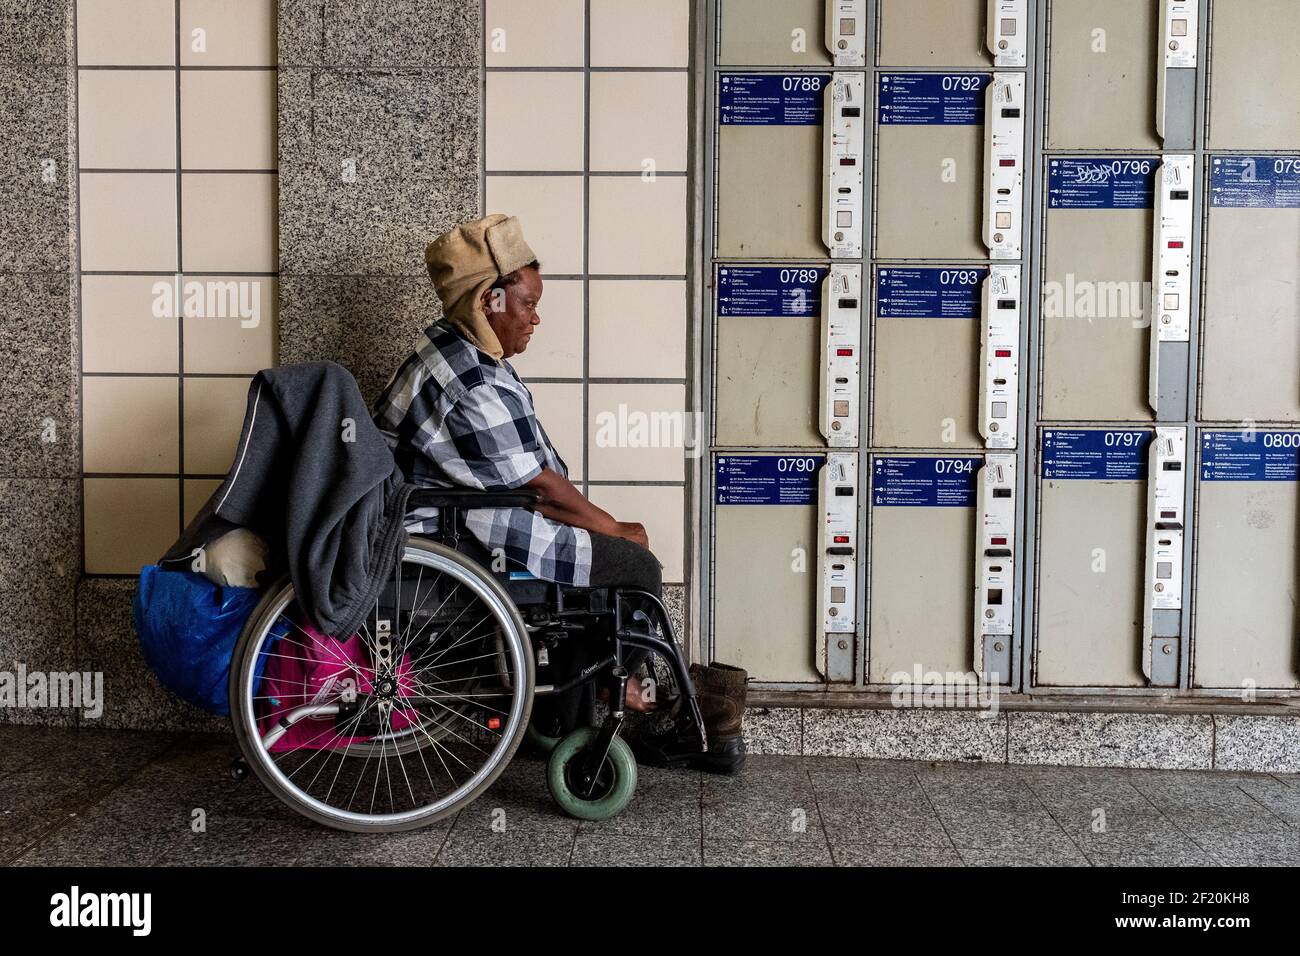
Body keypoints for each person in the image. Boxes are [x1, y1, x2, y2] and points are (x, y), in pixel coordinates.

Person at [373, 214, 746, 772]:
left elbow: (534, 483)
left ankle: (582, 712)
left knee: (605, 570)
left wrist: (599, 525)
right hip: (463, 537)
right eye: (527, 304)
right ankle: (641, 710)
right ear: (489, 301)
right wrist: (613, 529)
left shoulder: (452, 352)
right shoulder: (470, 381)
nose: (535, 317)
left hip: (468, 524)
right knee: (634, 567)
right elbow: (538, 486)